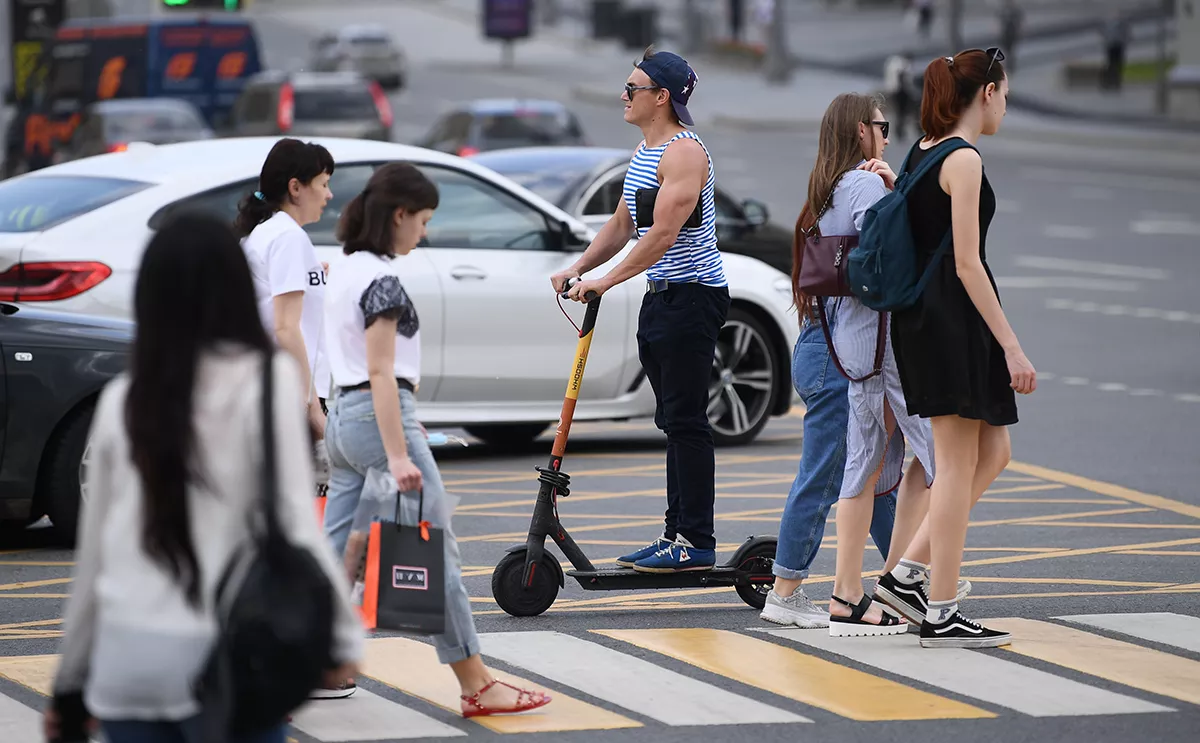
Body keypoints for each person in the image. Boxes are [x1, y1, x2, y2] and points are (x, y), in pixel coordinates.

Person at [46, 214, 363, 743]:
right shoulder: (266, 384)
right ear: (237, 289)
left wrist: (70, 683)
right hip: (237, 660)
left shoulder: (125, 398)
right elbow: (294, 522)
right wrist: (342, 638)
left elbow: (97, 552)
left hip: (133, 664)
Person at [321, 162, 552, 717]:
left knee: (332, 558)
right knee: (434, 549)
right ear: (398, 215)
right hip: (380, 419)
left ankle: (306, 667)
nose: (424, 232)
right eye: (422, 219)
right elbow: (382, 371)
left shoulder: (345, 267)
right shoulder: (382, 280)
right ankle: (477, 682)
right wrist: (398, 451)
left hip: (343, 422)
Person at [873, 48, 1037, 648]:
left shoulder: (925, 150)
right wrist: (1012, 347)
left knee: (994, 451)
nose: (1005, 107)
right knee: (959, 461)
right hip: (951, 322)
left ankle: (908, 576)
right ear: (988, 93)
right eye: (1006, 95)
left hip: (930, 320)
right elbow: (969, 265)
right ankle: (939, 609)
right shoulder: (963, 159)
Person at [552, 47, 730, 573]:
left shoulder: (684, 153)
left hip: (693, 294)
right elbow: (624, 225)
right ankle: (675, 534)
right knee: (673, 422)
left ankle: (695, 540)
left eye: (632, 89)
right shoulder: (645, 150)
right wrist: (579, 268)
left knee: (688, 421)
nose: (623, 96)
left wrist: (605, 281)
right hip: (663, 297)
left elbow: (664, 234)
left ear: (662, 98)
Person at [810, 95, 937, 637]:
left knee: (864, 467)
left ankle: (851, 593)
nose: (887, 137)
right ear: (862, 130)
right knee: (940, 458)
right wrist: (894, 191)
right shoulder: (864, 186)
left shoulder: (830, 187)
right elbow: (893, 251)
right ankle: (907, 582)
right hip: (883, 343)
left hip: (854, 342)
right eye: (883, 127)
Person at [235, 136, 350, 699]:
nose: (330, 195)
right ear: (295, 186)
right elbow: (285, 331)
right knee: (299, 537)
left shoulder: (271, 236)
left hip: (272, 395)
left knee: (281, 533)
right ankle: (304, 664)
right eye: (324, 183)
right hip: (288, 400)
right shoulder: (286, 237)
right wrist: (312, 407)